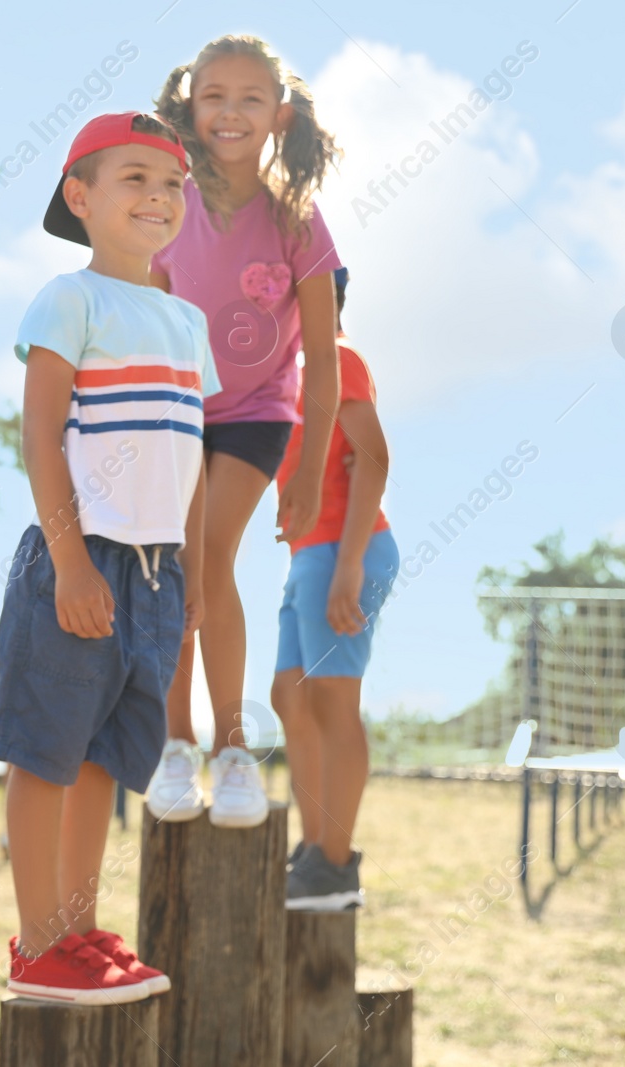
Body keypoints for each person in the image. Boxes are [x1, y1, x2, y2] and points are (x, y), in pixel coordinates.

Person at [0, 111, 220, 1004]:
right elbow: (40, 437)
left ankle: (79, 931)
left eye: (172, 185)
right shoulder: (68, 299)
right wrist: (72, 562)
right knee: (46, 753)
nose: (158, 198)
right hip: (79, 556)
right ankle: (36, 939)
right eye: (135, 179)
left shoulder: (187, 322)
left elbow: (190, 458)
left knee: (102, 762)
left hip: (159, 570)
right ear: (80, 197)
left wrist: (196, 568)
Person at [145, 34, 345, 830]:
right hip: (175, 409)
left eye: (249, 99)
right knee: (168, 567)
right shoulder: (168, 202)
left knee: (208, 556)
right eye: (214, 95)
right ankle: (172, 745)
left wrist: (306, 470)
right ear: (190, 104)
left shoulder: (298, 219)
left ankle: (231, 749)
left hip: (259, 415)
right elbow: (146, 314)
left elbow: (325, 364)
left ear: (280, 116)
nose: (229, 112)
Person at [270, 267, 398, 910]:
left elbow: (373, 457)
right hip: (311, 552)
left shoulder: (338, 358)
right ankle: (316, 846)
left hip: (346, 552)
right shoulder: (295, 375)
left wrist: (348, 567)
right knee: (290, 696)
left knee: (330, 703)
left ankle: (337, 867)